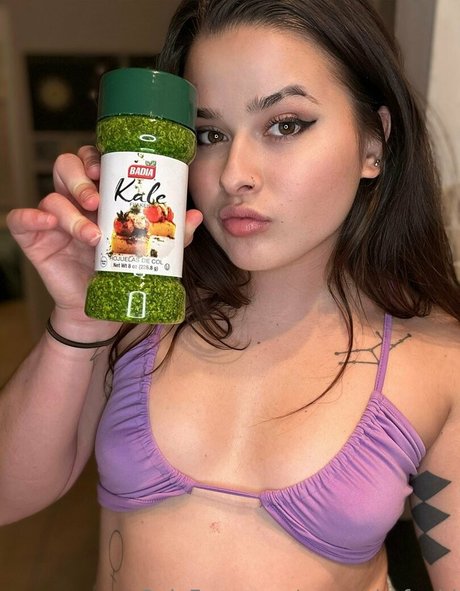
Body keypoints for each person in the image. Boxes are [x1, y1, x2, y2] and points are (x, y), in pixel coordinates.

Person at [1, 0, 459, 589]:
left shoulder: (438, 360)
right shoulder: (145, 314)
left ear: (374, 142)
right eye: (209, 134)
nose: (233, 173)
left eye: (285, 125)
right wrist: (78, 323)